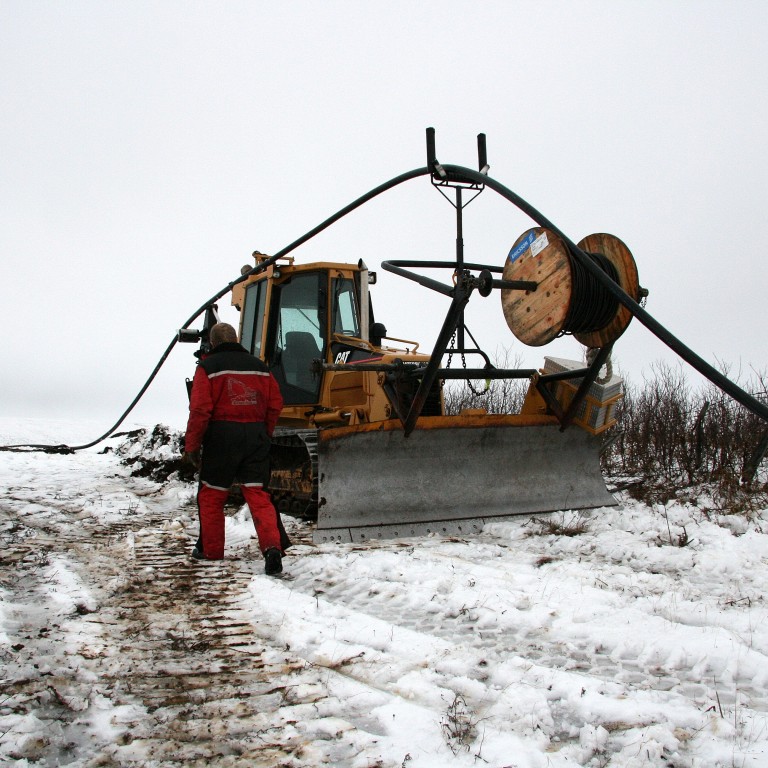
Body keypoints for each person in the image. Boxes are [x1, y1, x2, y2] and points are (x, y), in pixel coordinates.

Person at [183, 322, 286, 575]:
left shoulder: (207, 368)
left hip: (221, 438)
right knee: (258, 496)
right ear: (237, 339)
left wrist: (192, 447)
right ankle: (272, 548)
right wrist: (264, 433)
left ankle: (211, 551)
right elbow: (275, 404)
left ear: (213, 343)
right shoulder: (260, 367)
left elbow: (199, 411)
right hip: (255, 436)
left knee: (212, 496)